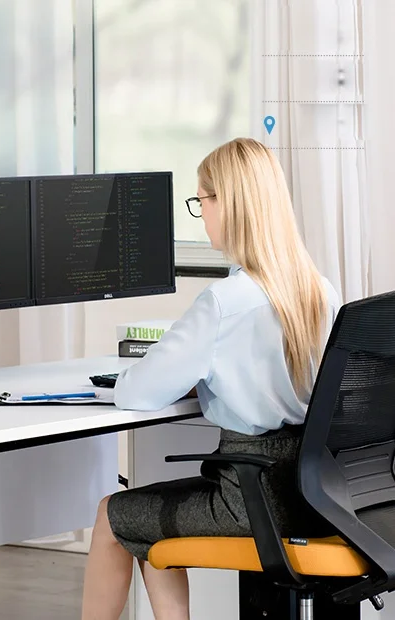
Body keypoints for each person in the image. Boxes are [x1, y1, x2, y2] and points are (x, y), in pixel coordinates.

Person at [81, 137, 341, 620]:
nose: (201, 215)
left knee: (112, 516)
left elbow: (138, 391)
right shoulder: (318, 289)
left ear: (229, 205)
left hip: (250, 499)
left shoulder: (224, 303)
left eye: (201, 201)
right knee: (147, 524)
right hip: (317, 494)